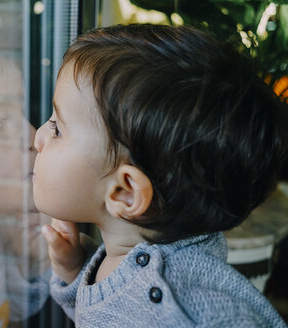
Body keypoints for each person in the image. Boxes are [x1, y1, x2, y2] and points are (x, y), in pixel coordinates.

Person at [33, 24, 288, 327]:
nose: (39, 137)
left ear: (125, 193)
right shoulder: (137, 253)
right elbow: (112, 314)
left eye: (58, 129)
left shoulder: (192, 313)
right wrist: (76, 271)